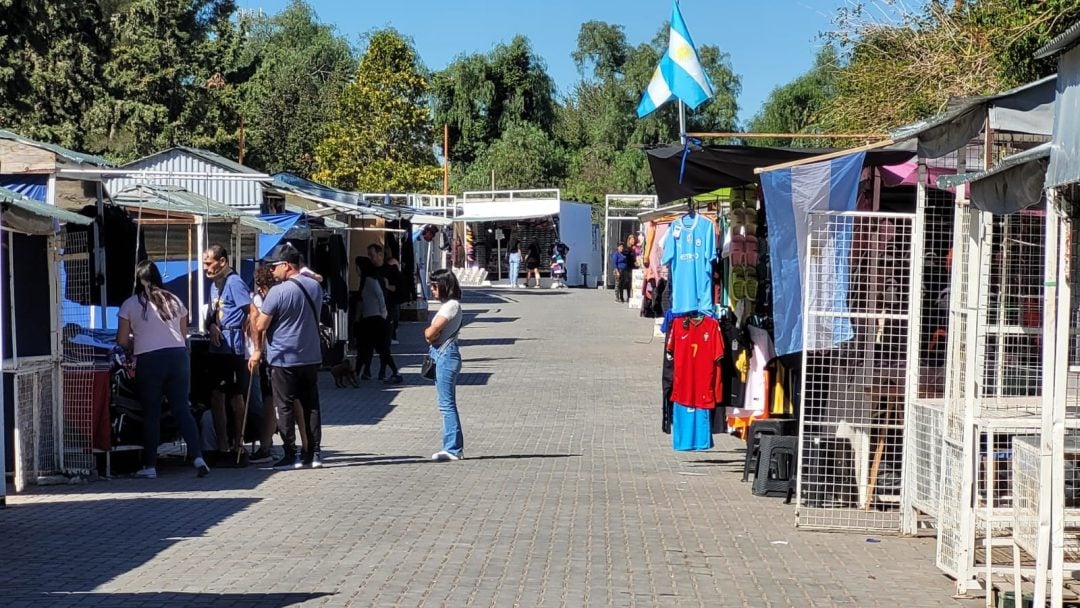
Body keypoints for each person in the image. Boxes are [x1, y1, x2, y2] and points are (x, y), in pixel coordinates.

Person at [117, 260, 209, 478]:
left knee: (151, 413)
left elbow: (121, 340)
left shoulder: (130, 304)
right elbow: (183, 334)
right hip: (178, 358)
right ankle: (197, 457)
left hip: (150, 360)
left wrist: (135, 342)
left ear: (138, 280)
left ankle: (150, 466)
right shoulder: (175, 301)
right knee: (181, 409)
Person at [248, 243, 325, 469]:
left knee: (285, 406)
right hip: (311, 355)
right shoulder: (315, 287)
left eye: (275, 266)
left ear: (286, 266)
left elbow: (261, 325)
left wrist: (254, 314)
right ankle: (314, 453)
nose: (272, 271)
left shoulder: (277, 292)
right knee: (312, 405)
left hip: (283, 357)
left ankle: (290, 454)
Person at [202, 244, 253, 464]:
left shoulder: (235, 283)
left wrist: (254, 347)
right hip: (217, 348)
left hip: (233, 348)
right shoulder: (215, 285)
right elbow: (213, 313)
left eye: (209, 263)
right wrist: (212, 325)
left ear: (222, 262)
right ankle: (221, 445)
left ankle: (237, 445)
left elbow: (250, 313)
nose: (206, 268)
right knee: (216, 395)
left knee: (235, 396)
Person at [424, 269, 465, 461]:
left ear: (444, 286)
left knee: (447, 404)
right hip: (443, 354)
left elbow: (430, 332)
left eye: (434, 286)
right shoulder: (449, 306)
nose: (432, 289)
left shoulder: (451, 306)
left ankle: (453, 448)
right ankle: (451, 446)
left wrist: (430, 333)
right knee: (445, 403)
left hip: (446, 355)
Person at [355, 256, 403, 383]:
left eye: (357, 267)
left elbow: (380, 296)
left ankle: (394, 371)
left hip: (375, 319)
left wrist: (383, 313)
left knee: (377, 348)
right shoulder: (365, 280)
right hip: (369, 318)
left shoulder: (370, 280)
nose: (356, 270)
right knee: (368, 348)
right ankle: (361, 372)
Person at [368, 243, 402, 345]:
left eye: (372, 255)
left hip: (388, 307)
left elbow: (398, 288)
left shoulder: (391, 270)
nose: (371, 258)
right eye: (369, 255)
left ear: (380, 255)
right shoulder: (369, 271)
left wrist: (387, 286)